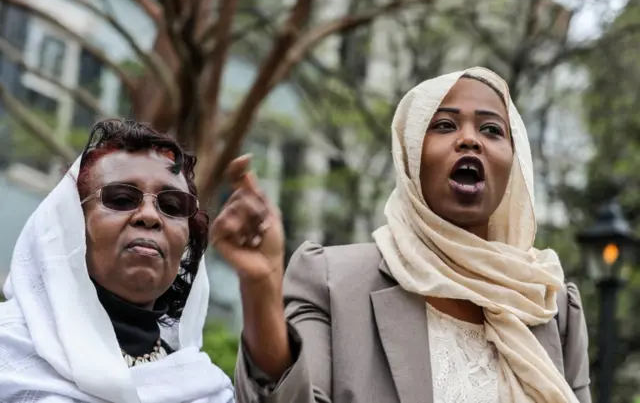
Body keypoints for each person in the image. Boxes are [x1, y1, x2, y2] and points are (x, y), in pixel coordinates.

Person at [211, 67, 591, 403]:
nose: (470, 139)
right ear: (410, 155)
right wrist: (261, 285)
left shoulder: (547, 306)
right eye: (444, 125)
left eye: (492, 129)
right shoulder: (332, 280)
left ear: (514, 162)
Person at [0, 119, 234, 403]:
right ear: (70, 225)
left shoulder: (209, 391)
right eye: (122, 199)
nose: (149, 216)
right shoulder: (8, 351)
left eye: (172, 206)